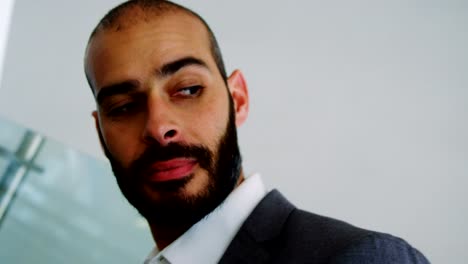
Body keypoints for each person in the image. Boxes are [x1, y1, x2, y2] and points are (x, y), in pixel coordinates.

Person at [84, 0, 430, 263]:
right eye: (124, 107)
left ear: (238, 99)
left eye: (188, 89)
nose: (159, 127)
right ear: (101, 135)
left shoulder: (363, 257)